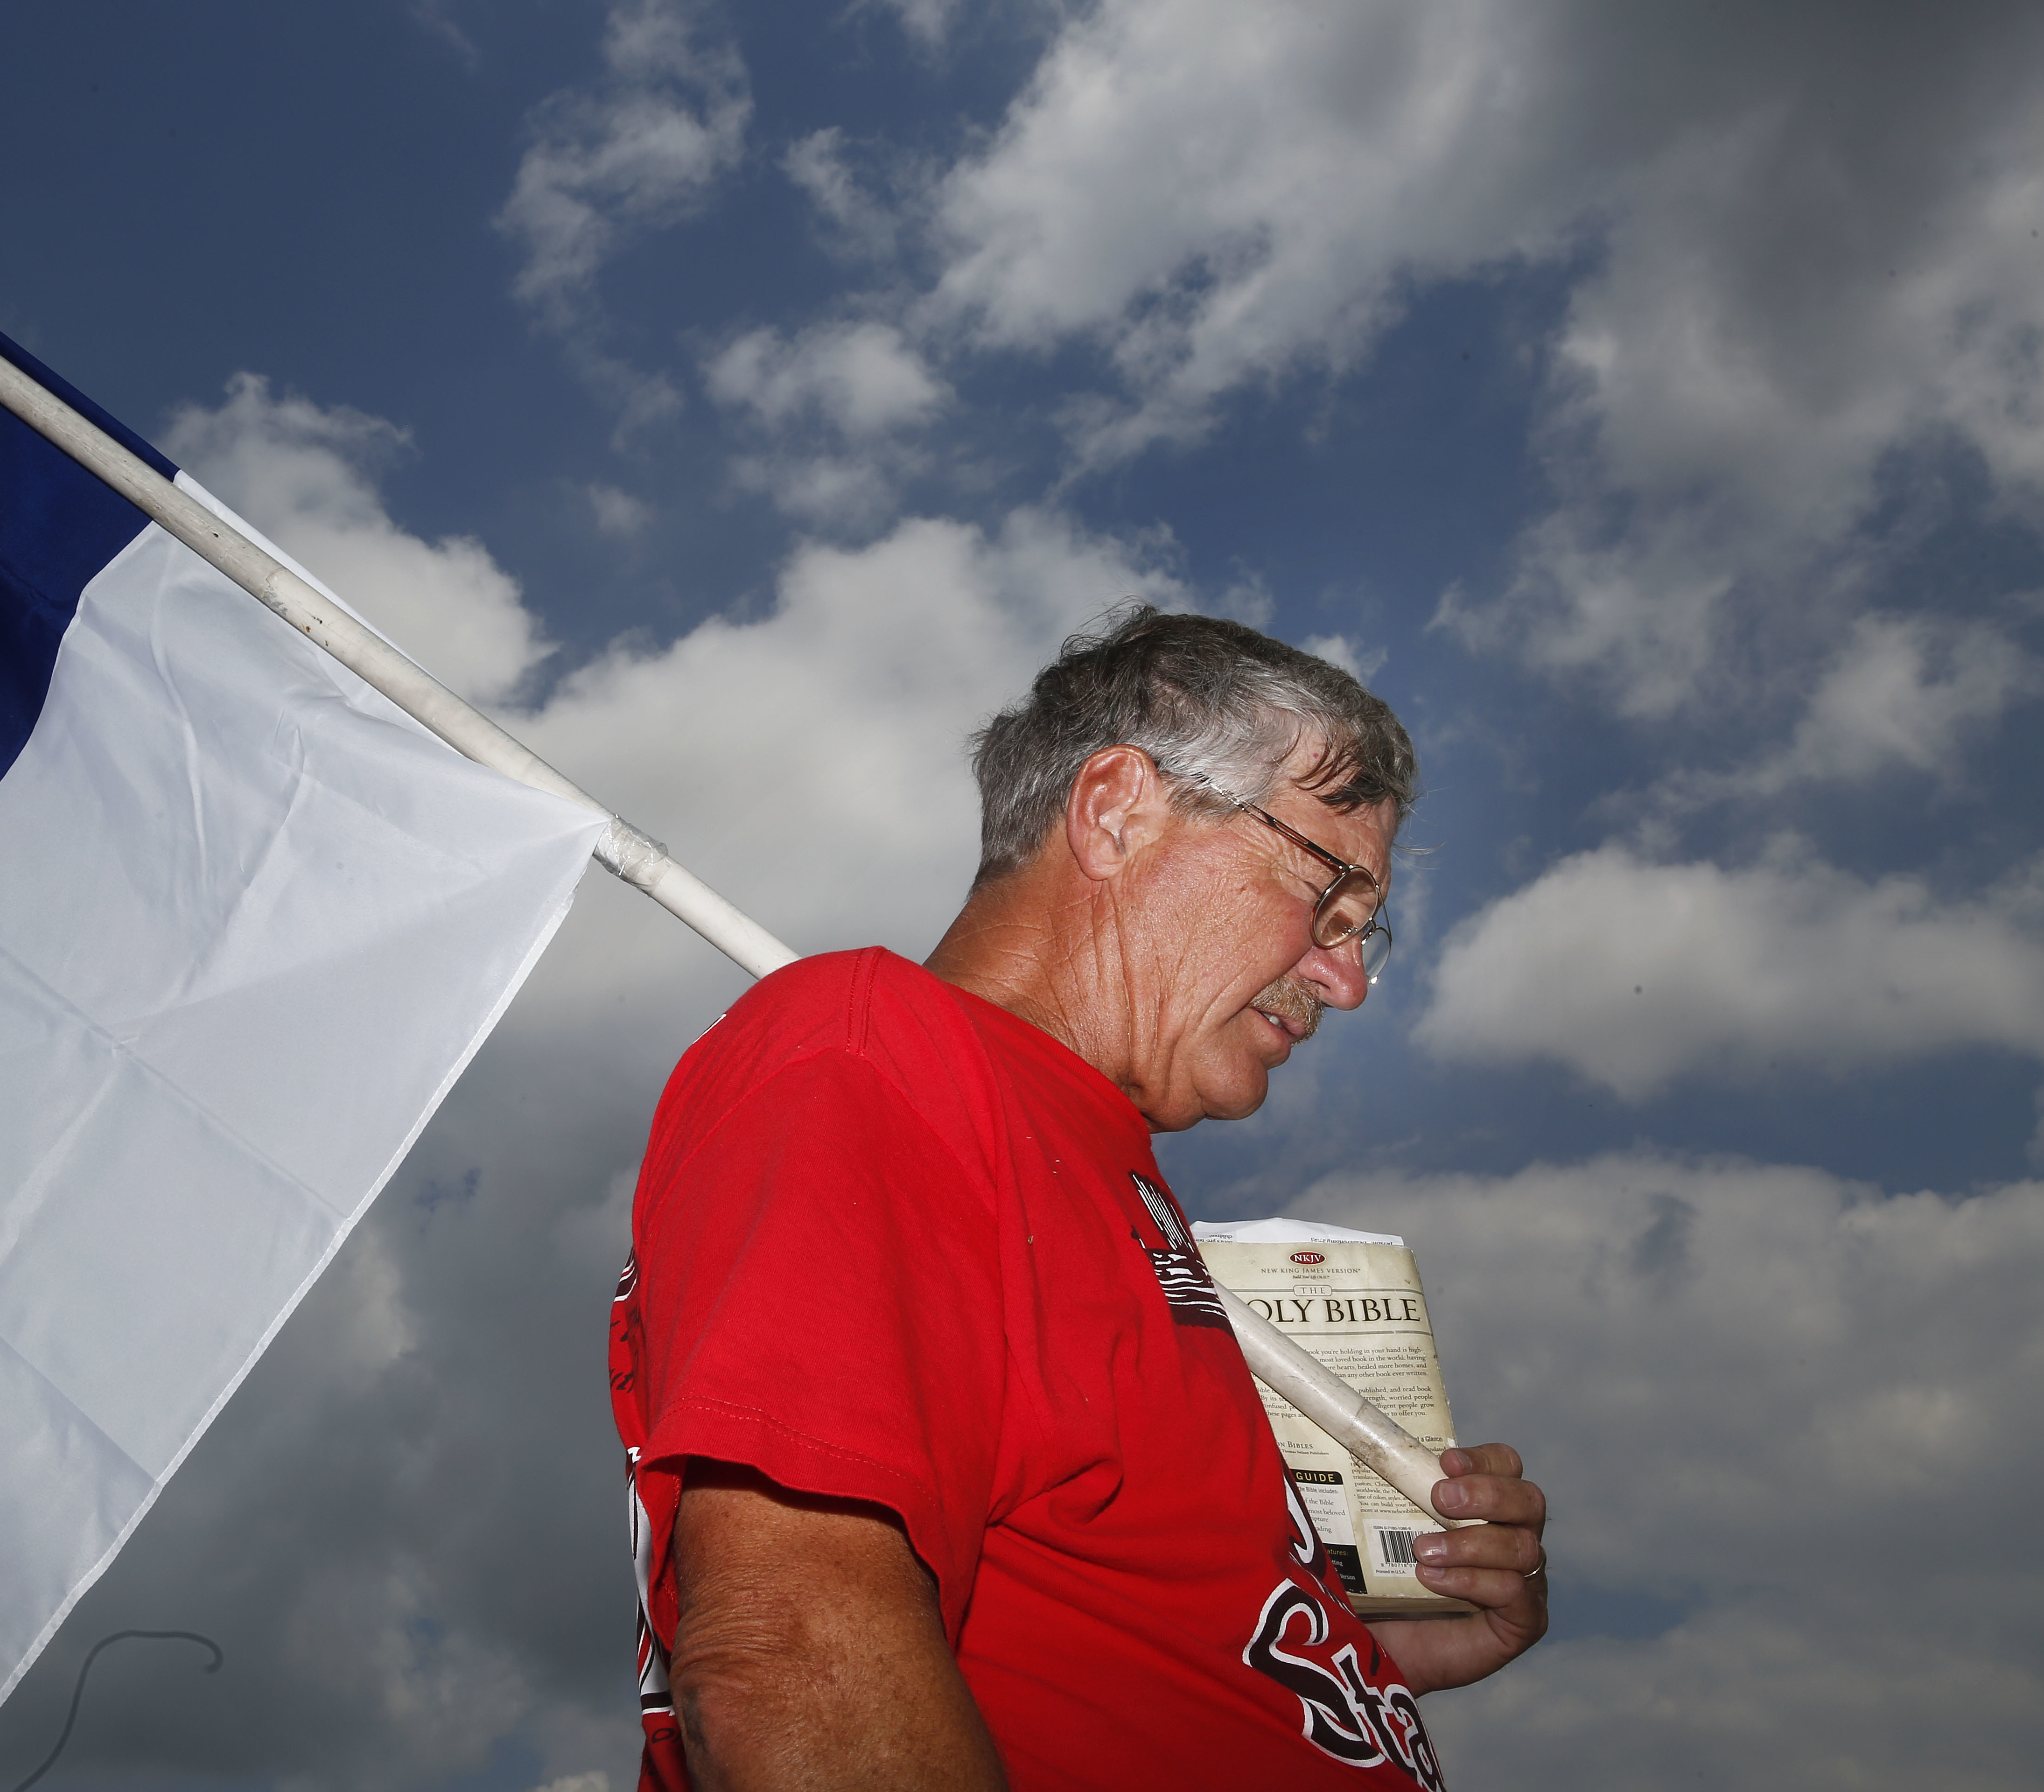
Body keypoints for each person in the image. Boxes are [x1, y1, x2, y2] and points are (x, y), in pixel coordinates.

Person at [607, 609, 1547, 1791]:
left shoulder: (1092, 1166)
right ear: (1115, 810)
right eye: (1328, 893)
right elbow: (789, 1657)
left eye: (1369, 932)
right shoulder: (880, 1050)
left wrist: (1352, 1661)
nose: (1347, 981)